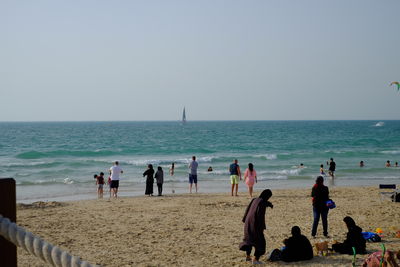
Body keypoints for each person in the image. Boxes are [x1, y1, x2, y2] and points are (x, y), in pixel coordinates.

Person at [239, 189, 273, 264]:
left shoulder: (255, 199)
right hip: (255, 225)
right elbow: (260, 216)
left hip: (248, 223)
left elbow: (247, 210)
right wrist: (262, 227)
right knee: (260, 242)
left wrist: (244, 220)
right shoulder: (262, 203)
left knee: (249, 240)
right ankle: (255, 260)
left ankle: (248, 257)